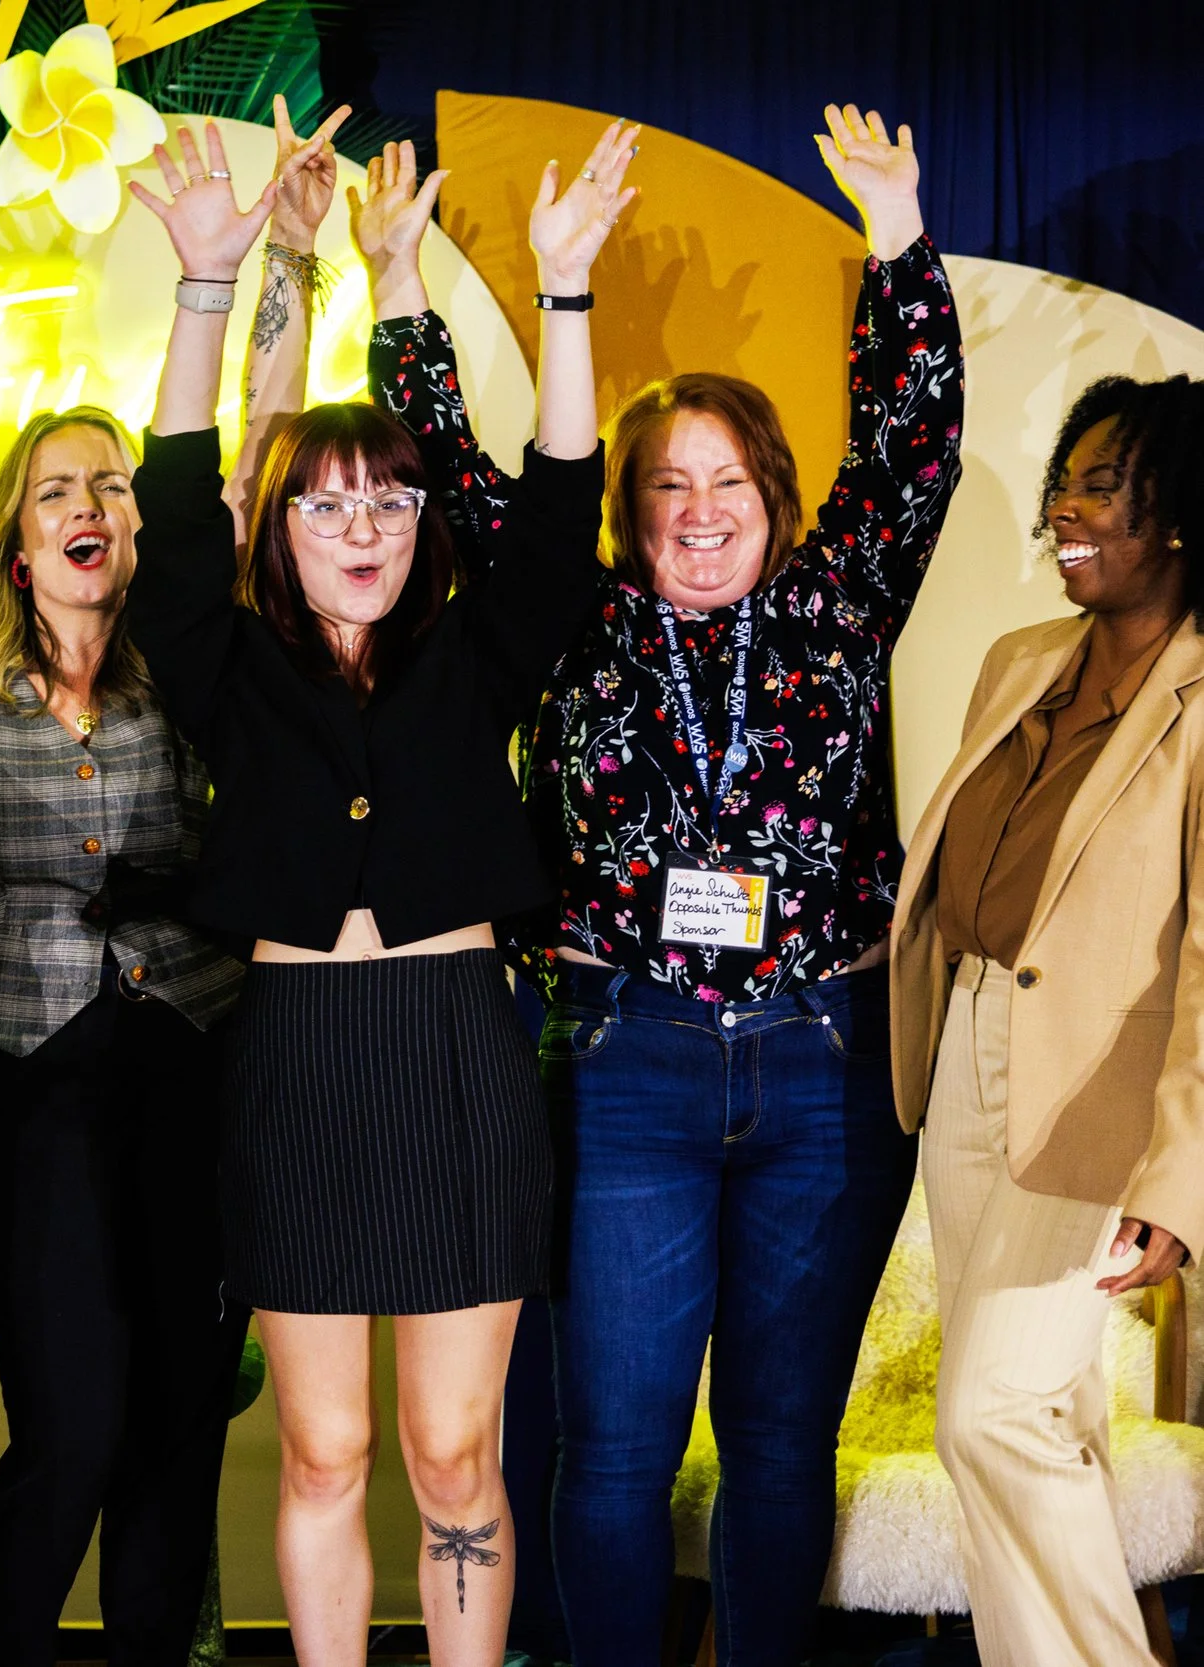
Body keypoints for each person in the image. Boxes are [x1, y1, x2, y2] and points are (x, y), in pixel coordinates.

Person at [372, 106, 964, 1665]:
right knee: (618, 1447)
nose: (700, 514)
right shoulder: (570, 614)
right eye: (668, 490)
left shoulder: (838, 604)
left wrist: (899, 238)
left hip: (824, 1062)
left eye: (729, 485)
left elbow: (912, 445)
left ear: (773, 495)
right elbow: (443, 463)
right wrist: (390, 287)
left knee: (779, 1443)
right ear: (629, 510)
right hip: (625, 1058)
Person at [124, 117, 631, 1666]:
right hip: (297, 1062)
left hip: (456, 1053)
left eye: (392, 504)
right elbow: (172, 499)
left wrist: (562, 296)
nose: (364, 529)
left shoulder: (474, 655)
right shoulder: (228, 667)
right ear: (279, 531)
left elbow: (555, 508)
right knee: (327, 1451)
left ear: (423, 527)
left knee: (452, 1452)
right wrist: (211, 285)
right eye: (328, 505)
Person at [0, 94, 342, 1667]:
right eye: (58, 488)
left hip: (188, 1057)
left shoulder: (187, 661)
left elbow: (267, 448)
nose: (91, 505)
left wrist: (288, 262)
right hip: (16, 1074)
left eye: (113, 486)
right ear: (16, 532)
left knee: (173, 1417)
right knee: (70, 1419)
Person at [889, 373, 1204, 1667]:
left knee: (994, 1414)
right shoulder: (1023, 660)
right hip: (964, 1057)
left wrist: (1180, 1178)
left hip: (1100, 1100)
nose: (1064, 511)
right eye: (1064, 481)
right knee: (1049, 1417)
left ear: (1179, 515)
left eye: (1101, 486)